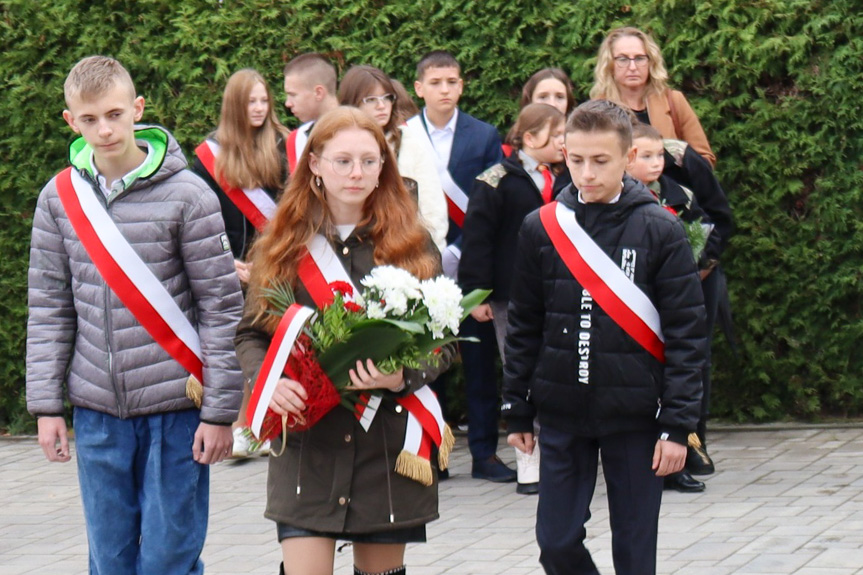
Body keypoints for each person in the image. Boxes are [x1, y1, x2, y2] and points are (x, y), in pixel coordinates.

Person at [26, 55, 244, 575]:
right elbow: (49, 307)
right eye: (89, 119)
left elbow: (220, 308)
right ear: (70, 121)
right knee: (111, 558)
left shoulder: (188, 194)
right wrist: (46, 407)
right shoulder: (58, 199)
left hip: (177, 410)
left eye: (115, 114)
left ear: (138, 109)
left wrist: (218, 412)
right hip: (98, 412)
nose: (104, 129)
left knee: (170, 555)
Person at [234, 107, 455, 575]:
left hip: (385, 442)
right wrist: (266, 381)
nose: (357, 173)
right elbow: (251, 332)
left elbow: (444, 344)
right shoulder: (281, 242)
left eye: (370, 161)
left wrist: (403, 375)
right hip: (308, 443)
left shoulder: (413, 244)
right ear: (314, 163)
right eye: (343, 161)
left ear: (384, 167)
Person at [502, 100, 706, 575]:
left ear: (628, 156)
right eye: (576, 160)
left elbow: (688, 335)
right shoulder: (542, 227)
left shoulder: (661, 228)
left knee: (635, 554)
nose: (586, 173)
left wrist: (678, 425)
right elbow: (525, 324)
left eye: (601, 161)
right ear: (563, 153)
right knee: (556, 544)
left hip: (636, 417)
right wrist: (517, 405)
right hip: (562, 413)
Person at [409, 50, 512, 482]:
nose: (445, 90)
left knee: (478, 358)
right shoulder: (404, 134)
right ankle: (434, 453)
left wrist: (462, 251)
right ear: (419, 88)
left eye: (452, 81)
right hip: (421, 259)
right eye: (436, 83)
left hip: (469, 259)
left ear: (462, 85)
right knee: (429, 357)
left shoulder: (485, 135)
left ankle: (485, 453)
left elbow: (491, 205)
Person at [459, 103, 565, 495]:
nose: (563, 143)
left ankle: (558, 456)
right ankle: (529, 463)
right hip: (510, 296)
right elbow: (478, 239)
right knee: (520, 369)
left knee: (554, 369)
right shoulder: (495, 180)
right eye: (555, 136)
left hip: (557, 292)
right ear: (530, 137)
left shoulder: (569, 176)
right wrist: (477, 294)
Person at [193, 68, 289, 457]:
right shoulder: (207, 156)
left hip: (277, 261)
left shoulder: (283, 145)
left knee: (272, 339)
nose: (260, 108)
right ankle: (239, 425)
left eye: (264, 100)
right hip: (230, 265)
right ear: (235, 105)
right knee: (236, 342)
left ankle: (263, 424)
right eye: (251, 101)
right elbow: (198, 218)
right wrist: (224, 261)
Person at [627, 121, 723, 493]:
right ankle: (646, 459)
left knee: (679, 377)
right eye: (646, 156)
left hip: (675, 299)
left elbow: (708, 230)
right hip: (636, 305)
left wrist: (700, 264)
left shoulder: (679, 194)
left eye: (659, 156)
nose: (656, 164)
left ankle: (680, 458)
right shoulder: (620, 200)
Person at [339, 64, 448, 252]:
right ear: (352, 102)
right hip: (350, 251)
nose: (382, 106)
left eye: (386, 98)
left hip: (403, 252)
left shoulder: (411, 143)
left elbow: (433, 212)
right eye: (371, 99)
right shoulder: (334, 146)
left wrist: (426, 256)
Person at [590, 26, 716, 168]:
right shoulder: (597, 110)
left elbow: (705, 160)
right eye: (623, 59)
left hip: (672, 187)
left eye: (639, 58)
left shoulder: (673, 101)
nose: (632, 67)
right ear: (610, 64)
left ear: (651, 62)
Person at [283, 53, 340, 174]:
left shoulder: (359, 131)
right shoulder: (297, 140)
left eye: (293, 95)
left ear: (318, 93)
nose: (288, 103)